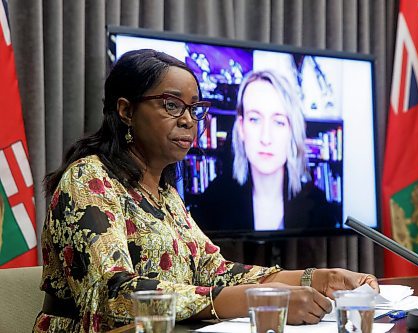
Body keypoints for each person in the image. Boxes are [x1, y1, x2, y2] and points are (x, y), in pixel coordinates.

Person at [33, 49, 378, 333]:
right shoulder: (89, 178)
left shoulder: (165, 194)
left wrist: (318, 278)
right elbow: (113, 295)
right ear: (126, 110)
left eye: (195, 109)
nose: (188, 120)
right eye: (172, 105)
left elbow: (216, 271)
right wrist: (257, 299)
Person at [193, 70, 339, 232]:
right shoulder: (213, 202)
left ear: (292, 130)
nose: (266, 138)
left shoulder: (317, 206)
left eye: (279, 122)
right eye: (255, 119)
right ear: (241, 127)